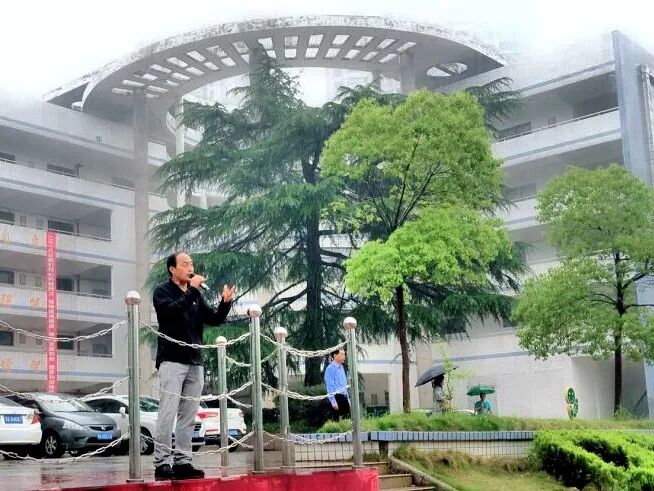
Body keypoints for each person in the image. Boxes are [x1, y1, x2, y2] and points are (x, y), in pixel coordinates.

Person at [152, 251, 235, 481]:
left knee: (188, 415)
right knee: (167, 413)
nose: (190, 268)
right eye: (185, 264)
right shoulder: (162, 291)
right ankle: (162, 463)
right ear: (172, 269)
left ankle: (183, 462)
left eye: (191, 264)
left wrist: (225, 303)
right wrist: (193, 291)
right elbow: (170, 313)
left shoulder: (195, 295)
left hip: (195, 361)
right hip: (171, 360)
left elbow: (214, 318)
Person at [324, 348, 350, 420]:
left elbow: (344, 386)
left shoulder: (342, 367)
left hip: (344, 398)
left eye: (344, 355)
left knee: (347, 422)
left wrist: (348, 399)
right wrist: (333, 401)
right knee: (337, 422)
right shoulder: (330, 368)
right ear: (335, 356)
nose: (344, 357)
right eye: (342, 354)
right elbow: (329, 386)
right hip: (336, 398)